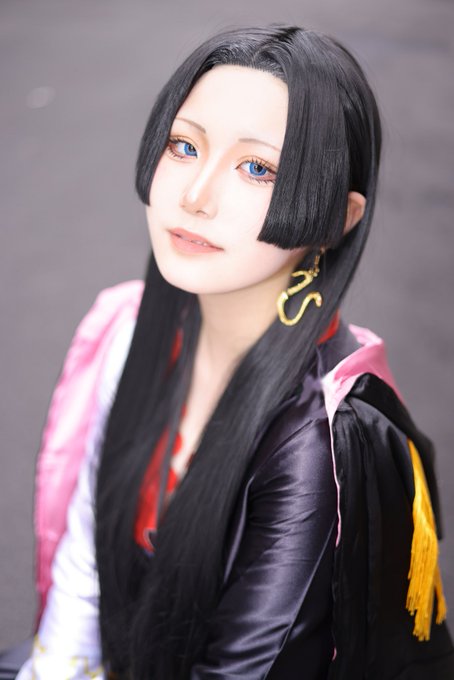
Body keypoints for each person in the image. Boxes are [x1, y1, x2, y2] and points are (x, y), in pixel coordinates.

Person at [12, 23, 454, 680]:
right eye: (184, 146)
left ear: (338, 219)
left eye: (257, 168)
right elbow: (84, 568)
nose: (196, 196)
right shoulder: (126, 328)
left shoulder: (320, 438)